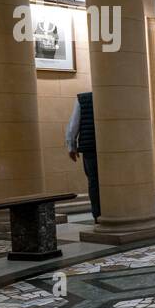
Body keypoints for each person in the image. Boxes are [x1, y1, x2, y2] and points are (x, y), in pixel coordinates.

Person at [65, 92, 100, 220]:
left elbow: (73, 125)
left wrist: (71, 146)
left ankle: (97, 214)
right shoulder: (115, 95)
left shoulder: (84, 99)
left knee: (94, 182)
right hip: (109, 148)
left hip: (90, 147)